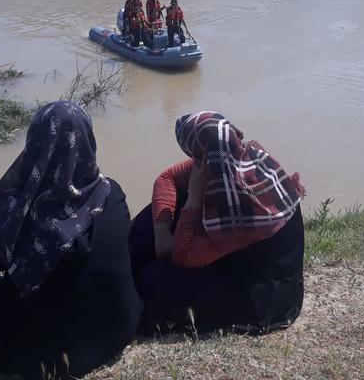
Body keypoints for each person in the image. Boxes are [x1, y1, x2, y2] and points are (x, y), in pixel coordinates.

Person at [0, 101, 142, 380]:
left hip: (50, 355)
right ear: (88, 141)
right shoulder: (110, 193)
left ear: (34, 144)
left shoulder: (15, 209)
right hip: (116, 330)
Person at [130, 111, 306, 335]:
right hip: (239, 262)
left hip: (263, 295)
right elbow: (166, 178)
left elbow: (182, 257)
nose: (194, 162)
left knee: (154, 280)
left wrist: (193, 198)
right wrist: (162, 230)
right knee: (152, 218)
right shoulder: (235, 156)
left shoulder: (239, 211)